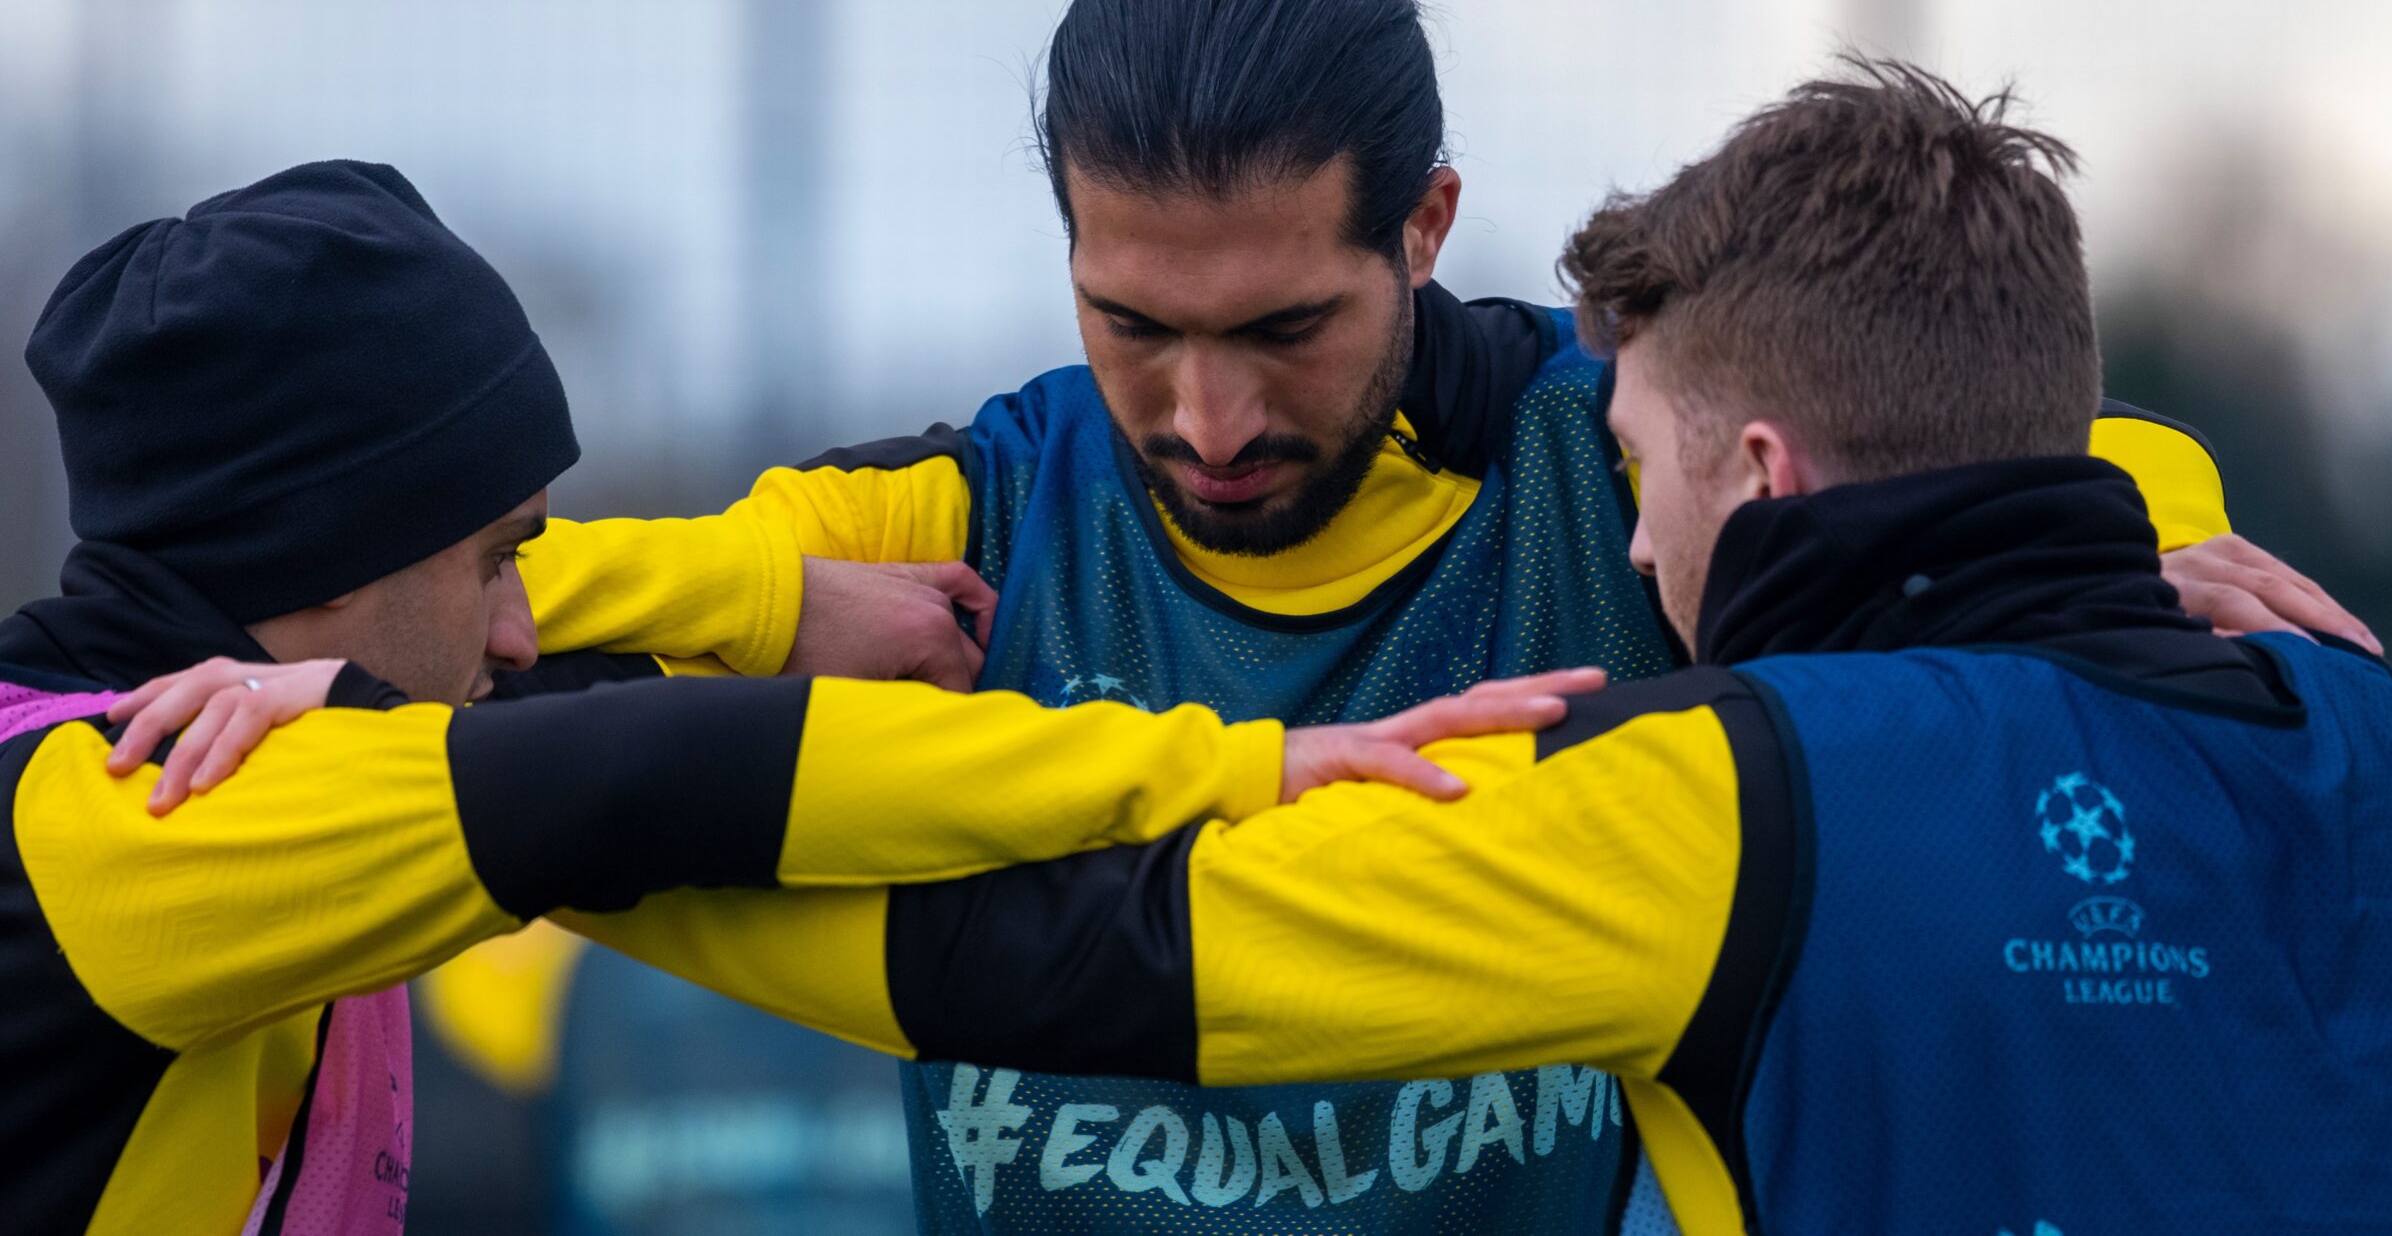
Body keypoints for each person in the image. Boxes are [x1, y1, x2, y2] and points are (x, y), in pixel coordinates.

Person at [505, 0, 2366, 1234]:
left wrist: (2131, 522)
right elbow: (509, 617)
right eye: (1131, 323)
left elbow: (1958, 414)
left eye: (1286, 329)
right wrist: (746, 609)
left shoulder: (1624, 474)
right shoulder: (956, 523)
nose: (1208, 416)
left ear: (1428, 224)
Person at [0, 160, 1576, 1236]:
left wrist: (768, 599)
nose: (524, 629)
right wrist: (1230, 767)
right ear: (321, 563)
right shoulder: (163, 810)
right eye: (497, 561)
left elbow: (653, 777)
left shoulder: (219, 738)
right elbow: (671, 775)